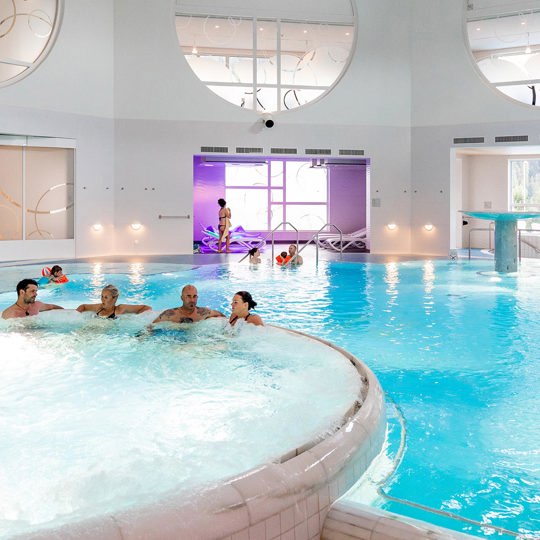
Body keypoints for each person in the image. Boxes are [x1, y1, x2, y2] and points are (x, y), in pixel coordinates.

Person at [152, 284, 225, 324]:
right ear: (182, 298)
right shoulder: (170, 314)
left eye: (194, 296)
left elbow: (222, 316)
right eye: (188, 296)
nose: (192, 300)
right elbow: (152, 325)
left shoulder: (203, 312)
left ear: (197, 297)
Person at [76, 284, 151, 319]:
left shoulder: (120, 309)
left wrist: (138, 319)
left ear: (114, 298)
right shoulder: (99, 307)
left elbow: (146, 307)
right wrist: (75, 316)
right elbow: (83, 306)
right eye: (102, 296)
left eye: (106, 297)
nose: (102, 299)